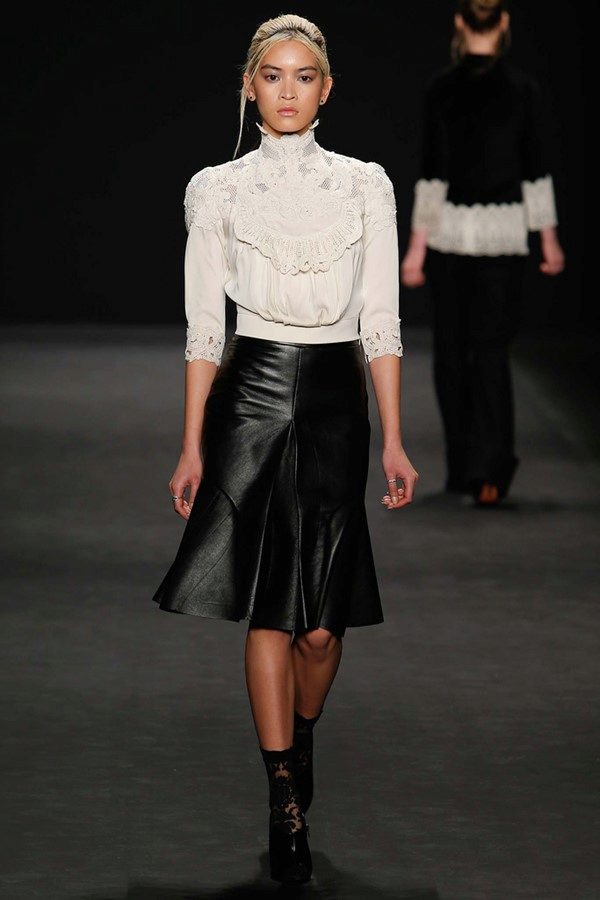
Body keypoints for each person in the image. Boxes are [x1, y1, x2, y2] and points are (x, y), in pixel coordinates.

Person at [150, 13, 418, 885]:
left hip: (338, 397)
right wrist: (191, 445)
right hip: (251, 395)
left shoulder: (365, 186)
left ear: (327, 88)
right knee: (272, 606)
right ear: (249, 86)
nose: (289, 91)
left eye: (305, 76)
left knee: (323, 627)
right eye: (273, 76)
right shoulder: (217, 190)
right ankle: (283, 798)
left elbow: (381, 319)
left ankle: (300, 736)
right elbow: (204, 327)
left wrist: (396, 439)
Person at [401, 0, 565, 506]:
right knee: (490, 352)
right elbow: (534, 169)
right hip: (502, 236)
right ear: (504, 22)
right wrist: (548, 239)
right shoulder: (523, 90)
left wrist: (416, 250)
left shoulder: (440, 89)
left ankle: (461, 469)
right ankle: (489, 472)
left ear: (459, 21)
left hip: (449, 236)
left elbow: (432, 173)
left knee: (452, 352)